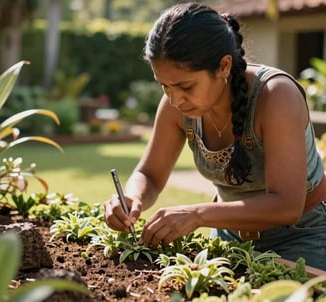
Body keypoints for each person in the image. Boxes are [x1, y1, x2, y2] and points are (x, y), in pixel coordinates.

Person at [104, 2, 326, 270]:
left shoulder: (276, 96)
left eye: (185, 86)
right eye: (164, 86)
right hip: (231, 235)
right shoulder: (177, 107)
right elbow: (150, 174)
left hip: (304, 234)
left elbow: (287, 205)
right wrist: (132, 197)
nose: (175, 100)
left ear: (223, 66)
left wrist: (197, 214)